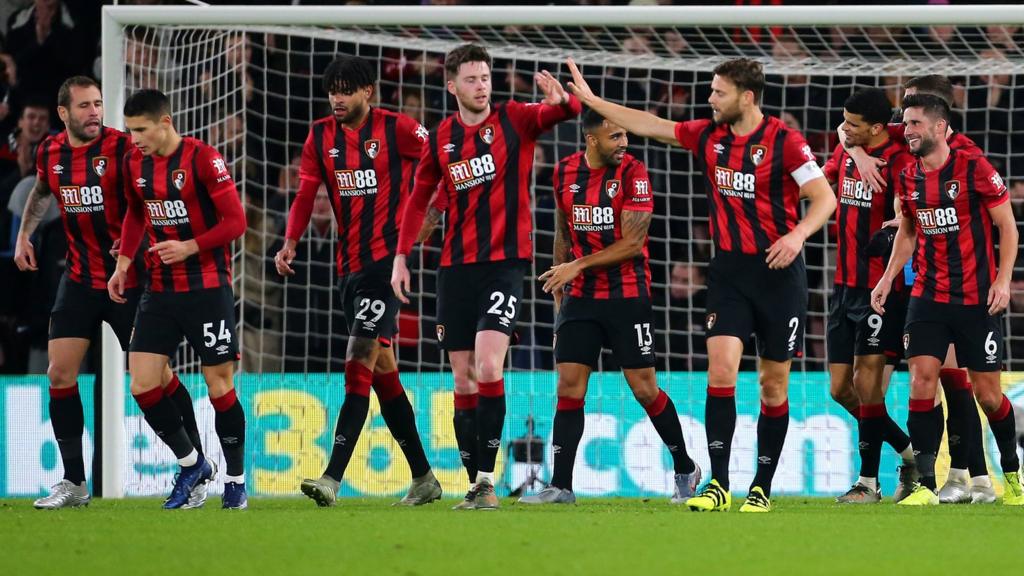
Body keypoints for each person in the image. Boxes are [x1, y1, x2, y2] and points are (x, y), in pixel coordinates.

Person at [565, 56, 835, 512]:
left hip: (779, 275)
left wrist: (796, 235)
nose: (710, 99)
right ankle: (719, 484)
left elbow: (824, 197)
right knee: (721, 372)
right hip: (729, 273)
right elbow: (651, 124)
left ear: (746, 98)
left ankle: (762, 488)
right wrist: (593, 101)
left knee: (773, 385)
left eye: (719, 92)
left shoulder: (785, 143)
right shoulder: (708, 136)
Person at [392, 44, 581, 510]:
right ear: (452, 85)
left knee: (489, 366)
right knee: (462, 380)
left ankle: (486, 480)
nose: (482, 86)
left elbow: (568, 111)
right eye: (472, 79)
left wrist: (563, 101)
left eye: (486, 77)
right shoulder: (442, 137)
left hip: (504, 265)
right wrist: (400, 255)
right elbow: (419, 198)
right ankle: (475, 484)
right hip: (453, 269)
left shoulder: (515, 118)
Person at [14, 76, 203, 509]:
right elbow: (42, 191)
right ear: (64, 113)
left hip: (129, 281)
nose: (94, 112)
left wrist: (141, 242)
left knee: (157, 378)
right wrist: (24, 234)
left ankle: (196, 466)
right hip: (79, 279)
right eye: (84, 106)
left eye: (98, 103)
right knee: (59, 374)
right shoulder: (50, 152)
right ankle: (74, 483)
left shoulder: (122, 147)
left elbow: (153, 196)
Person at [273, 55, 441, 507]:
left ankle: (331, 477)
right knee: (385, 377)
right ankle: (424, 477)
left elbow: (444, 164)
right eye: (333, 90)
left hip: (385, 268)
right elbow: (306, 193)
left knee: (357, 362)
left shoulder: (400, 129)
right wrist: (291, 240)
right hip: (346, 269)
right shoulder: (320, 136)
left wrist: (427, 222)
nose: (337, 98)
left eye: (346, 90)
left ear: (368, 91)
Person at [518, 109, 699, 505]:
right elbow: (563, 230)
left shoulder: (634, 172)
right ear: (591, 139)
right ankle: (561, 485)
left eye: (625, 135)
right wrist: (560, 288)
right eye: (615, 136)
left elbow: (634, 244)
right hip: (580, 298)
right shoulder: (564, 171)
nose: (624, 142)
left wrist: (576, 266)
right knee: (568, 386)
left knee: (644, 389)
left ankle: (685, 467)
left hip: (627, 296)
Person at [843, 75, 993, 503]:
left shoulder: (964, 158)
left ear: (938, 116)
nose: (901, 122)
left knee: (955, 380)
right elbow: (847, 126)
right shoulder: (904, 146)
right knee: (911, 380)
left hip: (949, 285)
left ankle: (968, 474)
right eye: (902, 112)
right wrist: (856, 150)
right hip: (906, 282)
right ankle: (913, 473)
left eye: (911, 110)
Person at [870, 93, 1023, 506]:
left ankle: (1011, 470)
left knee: (988, 396)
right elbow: (908, 231)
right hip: (928, 296)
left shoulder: (974, 168)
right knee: (922, 379)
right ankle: (923, 485)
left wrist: (1003, 280)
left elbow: (1008, 228)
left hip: (976, 300)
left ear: (940, 127)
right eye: (905, 123)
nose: (908, 130)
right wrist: (886, 279)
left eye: (916, 123)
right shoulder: (908, 176)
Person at [108, 88, 247, 510]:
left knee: (219, 386)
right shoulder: (135, 163)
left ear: (165, 123)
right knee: (143, 382)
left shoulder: (204, 159)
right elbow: (136, 212)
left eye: (142, 130)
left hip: (207, 287)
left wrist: (190, 246)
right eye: (131, 131)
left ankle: (236, 483)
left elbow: (236, 221)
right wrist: (124, 263)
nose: (134, 139)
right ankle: (193, 464)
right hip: (161, 289)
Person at [822, 88, 917, 503]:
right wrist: (852, 151)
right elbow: (823, 175)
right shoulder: (847, 150)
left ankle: (867, 483)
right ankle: (910, 453)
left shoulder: (899, 161)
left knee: (869, 384)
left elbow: (907, 214)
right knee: (840, 389)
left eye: (853, 124)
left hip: (881, 288)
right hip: (843, 285)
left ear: (877, 128)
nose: (845, 127)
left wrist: (893, 224)